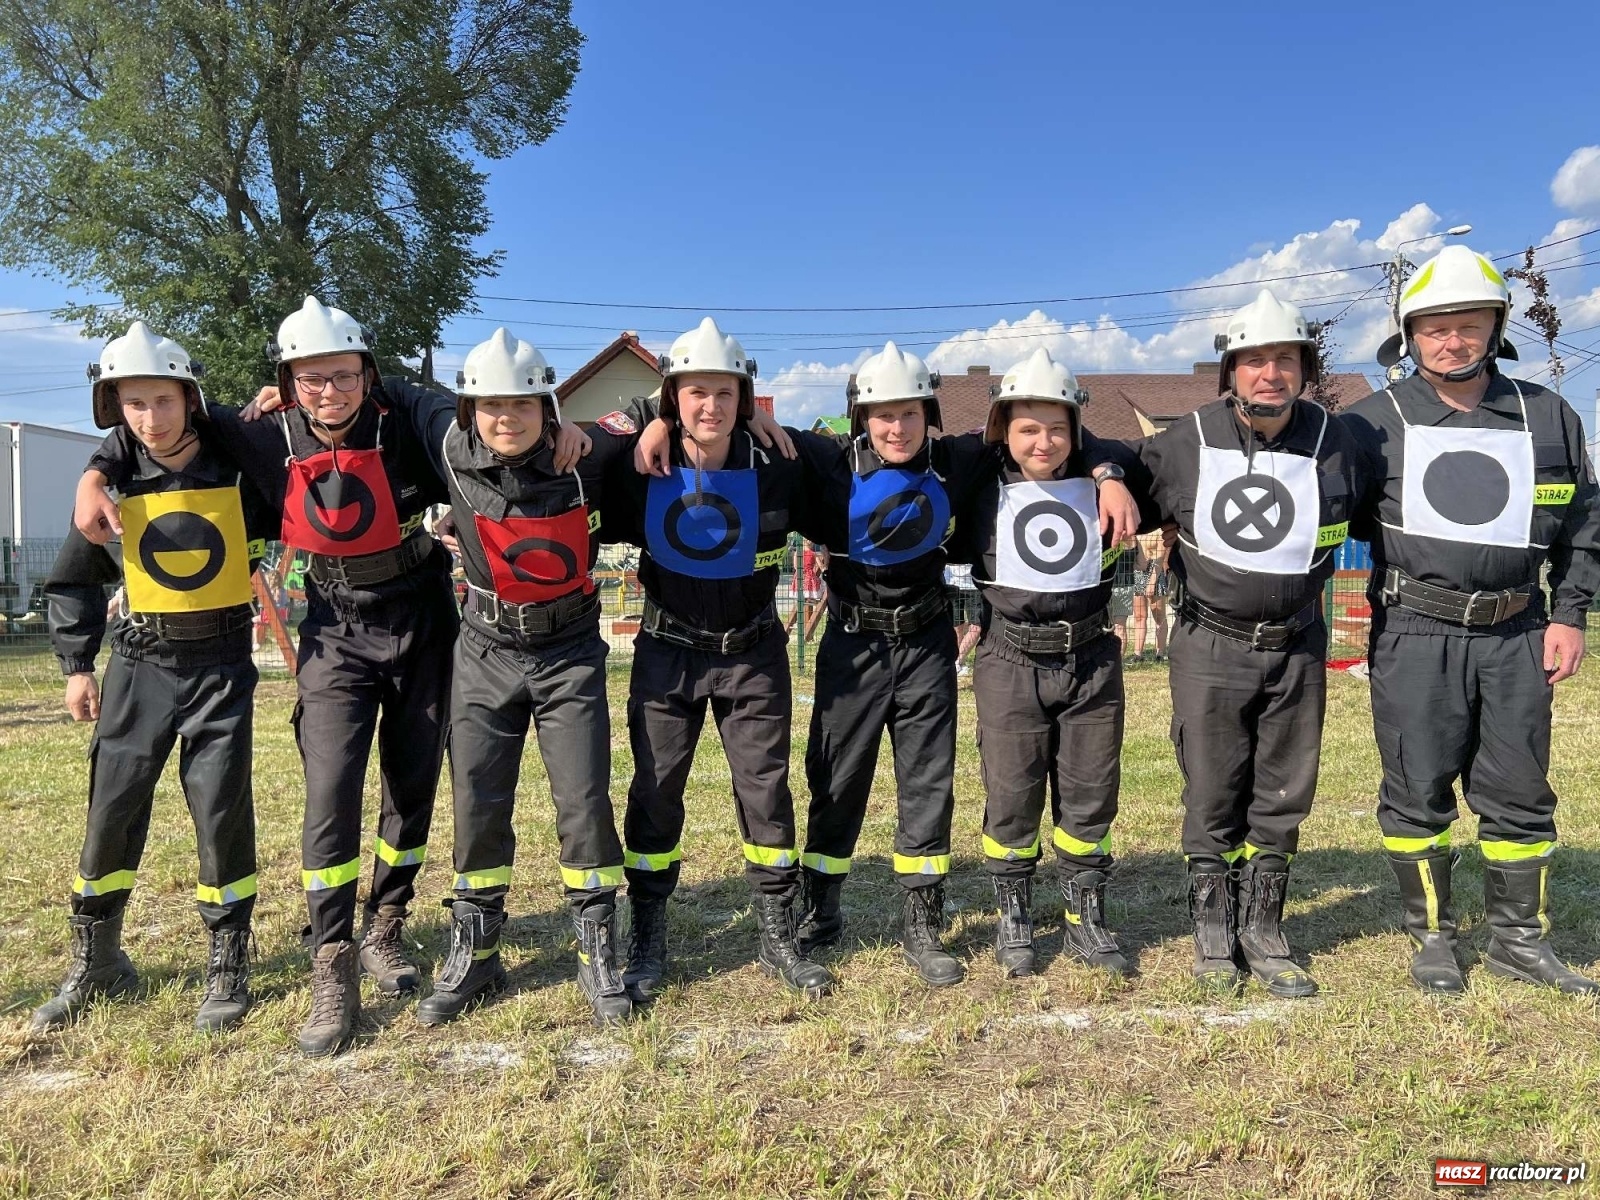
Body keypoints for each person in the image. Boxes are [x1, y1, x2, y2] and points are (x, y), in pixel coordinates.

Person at [1344, 244, 1600, 995]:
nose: (1451, 341)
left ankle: (1520, 940)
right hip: (1417, 635)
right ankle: (1431, 935)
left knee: (1520, 788)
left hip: (1520, 631)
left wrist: (1572, 613)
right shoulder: (1371, 424)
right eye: (1434, 327)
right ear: (1408, 335)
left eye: (1468, 324)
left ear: (1496, 327)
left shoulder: (1546, 415)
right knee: (1416, 786)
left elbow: (1584, 525)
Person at [34, 323, 273, 1033]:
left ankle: (227, 964)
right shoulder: (112, 482)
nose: (150, 418)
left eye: (163, 400)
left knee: (220, 811)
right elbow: (73, 580)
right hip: (140, 662)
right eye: (133, 404)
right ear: (115, 409)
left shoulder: (240, 466)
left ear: (189, 398)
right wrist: (77, 666)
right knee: (112, 807)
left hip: (223, 664)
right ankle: (98, 960)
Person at [1129, 289, 1364, 997]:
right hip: (1210, 642)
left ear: (1304, 368)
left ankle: (1263, 925)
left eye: (1285, 360)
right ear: (1230, 371)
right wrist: (1112, 477)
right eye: (1254, 360)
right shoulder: (1185, 440)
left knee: (1284, 786)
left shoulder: (1340, 440)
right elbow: (1114, 469)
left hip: (1296, 643)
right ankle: (1212, 925)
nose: (1270, 373)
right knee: (1212, 780)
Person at [607, 318, 833, 1001]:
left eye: (724, 393)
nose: (710, 407)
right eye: (693, 392)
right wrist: (646, 415)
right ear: (674, 396)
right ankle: (646, 930)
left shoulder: (784, 459)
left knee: (767, 793)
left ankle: (776, 931)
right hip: (666, 653)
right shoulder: (640, 462)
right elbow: (571, 436)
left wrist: (1099, 463)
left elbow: (875, 446)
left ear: (744, 398)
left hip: (754, 653)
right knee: (655, 791)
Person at [415, 329, 634, 1026]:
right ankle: (477, 950)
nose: (505, 418)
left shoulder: (589, 454)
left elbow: (664, 404)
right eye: (489, 406)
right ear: (468, 411)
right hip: (483, 650)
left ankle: (597, 946)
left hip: (569, 650)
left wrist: (603, 427)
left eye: (523, 404)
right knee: (477, 800)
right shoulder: (447, 449)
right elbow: (374, 395)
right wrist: (282, 401)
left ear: (547, 406)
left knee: (583, 801)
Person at [958, 348, 1148, 977]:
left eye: (1059, 428)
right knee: (1011, 793)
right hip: (1010, 656)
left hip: (1091, 655)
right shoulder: (979, 477)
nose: (1044, 442)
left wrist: (1109, 471)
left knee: (1091, 792)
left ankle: (1083, 913)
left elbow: (1138, 453)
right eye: (1028, 428)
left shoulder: (1105, 473)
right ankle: (1014, 914)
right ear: (1002, 431)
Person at [1131, 531, 1169, 661]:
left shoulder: (1159, 532)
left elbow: (1160, 557)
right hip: (1138, 574)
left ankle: (1160, 653)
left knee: (1159, 616)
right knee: (1139, 616)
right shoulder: (1137, 530)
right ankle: (1138, 654)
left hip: (1155, 574)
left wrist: (1152, 582)